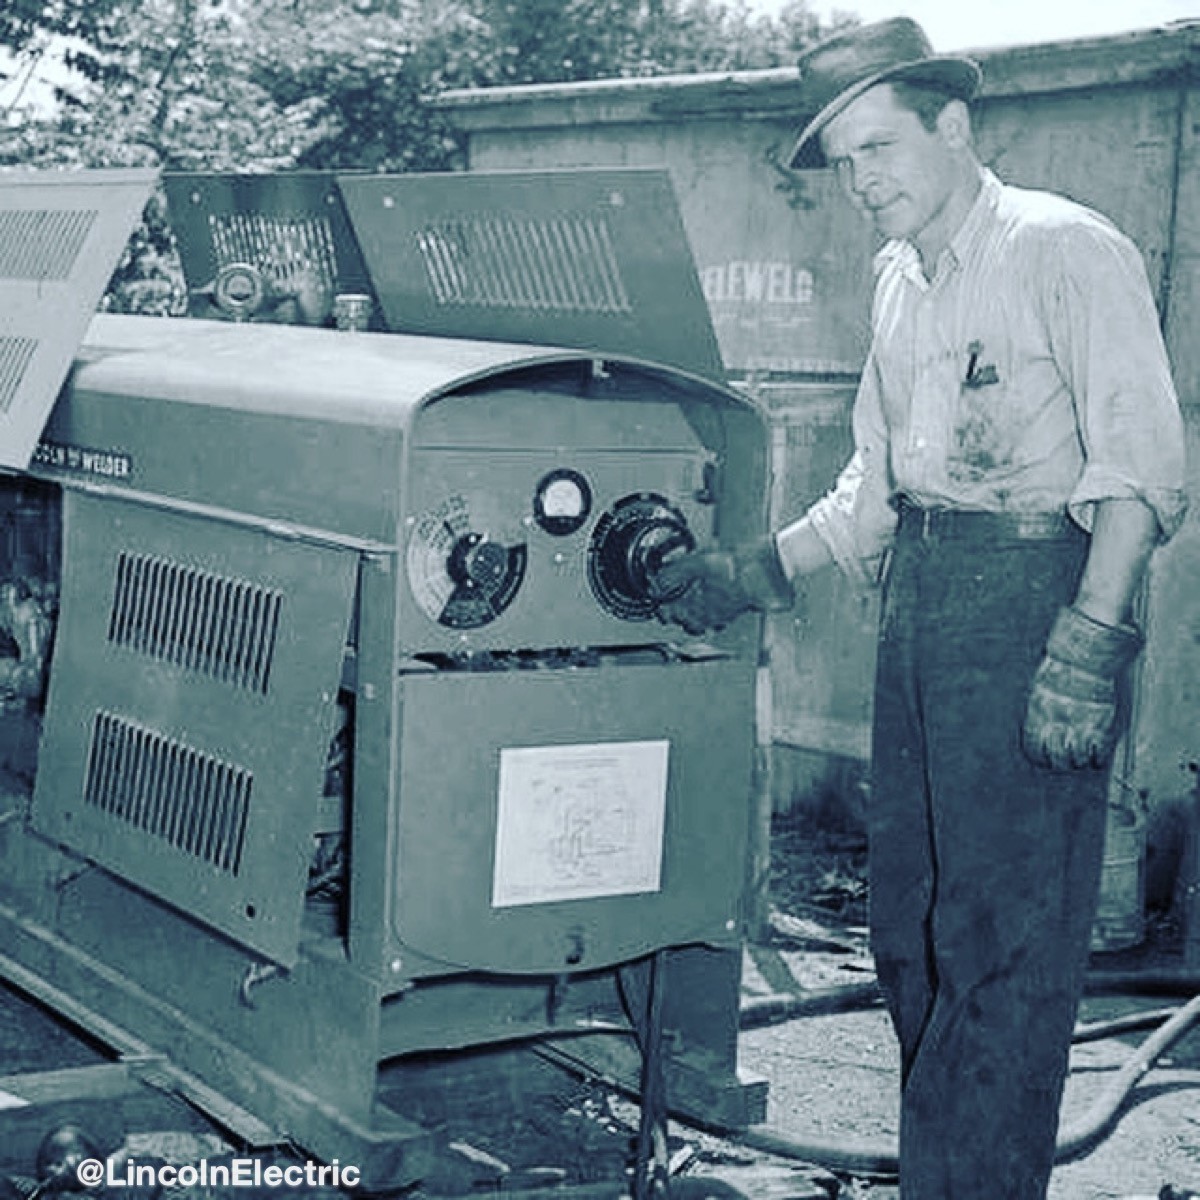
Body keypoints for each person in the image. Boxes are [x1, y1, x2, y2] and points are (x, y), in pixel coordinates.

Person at [657, 17, 1187, 1200]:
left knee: (1006, 938)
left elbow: (1145, 467)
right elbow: (878, 487)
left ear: (954, 126)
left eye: (880, 148)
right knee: (908, 927)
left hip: (1039, 596)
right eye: (844, 162)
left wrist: (1087, 649)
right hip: (927, 600)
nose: (863, 182)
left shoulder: (1061, 247)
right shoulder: (900, 279)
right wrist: (758, 568)